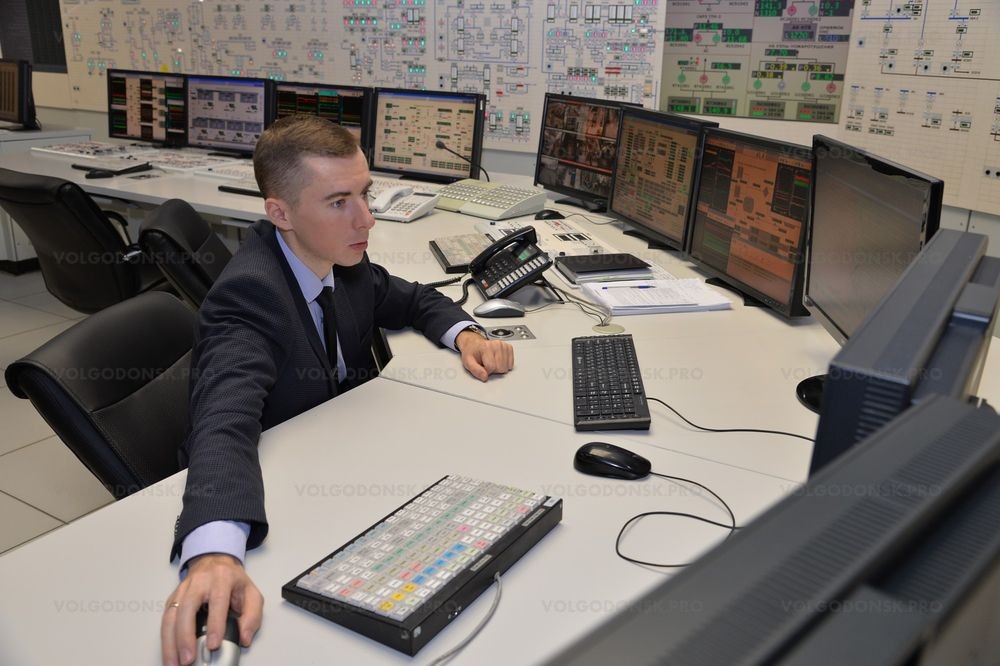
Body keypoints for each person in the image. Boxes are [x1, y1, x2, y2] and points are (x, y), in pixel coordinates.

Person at [160, 115, 514, 666]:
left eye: (364, 194)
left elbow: (412, 299)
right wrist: (214, 555)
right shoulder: (249, 296)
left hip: (347, 457)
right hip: (293, 490)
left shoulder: (340, 260)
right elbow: (222, 423)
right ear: (280, 213)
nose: (366, 219)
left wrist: (466, 334)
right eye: (338, 202)